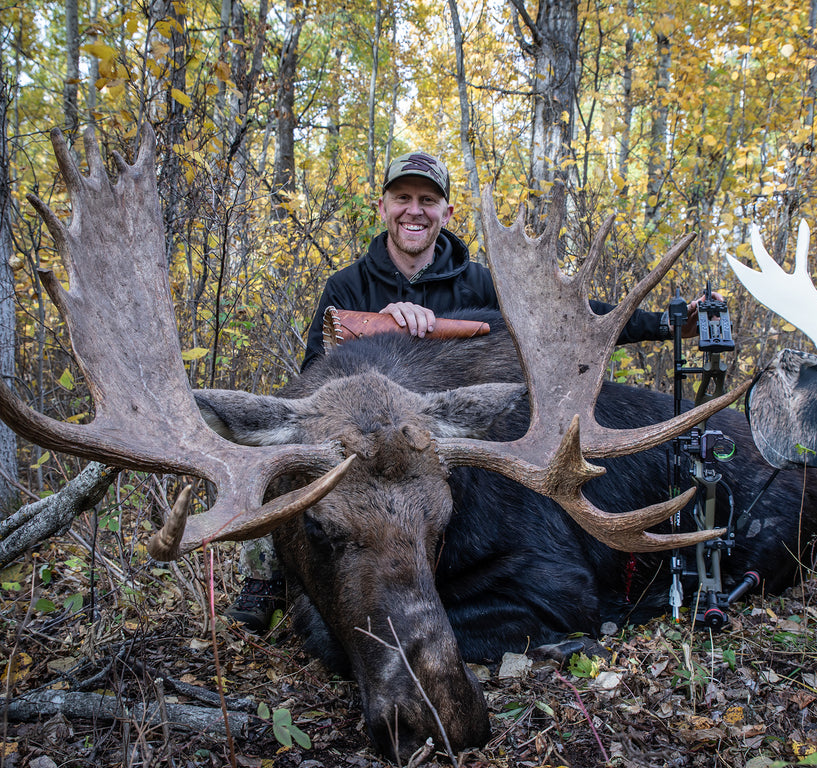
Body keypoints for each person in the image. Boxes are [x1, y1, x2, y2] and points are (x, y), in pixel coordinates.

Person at [227, 150, 711, 630]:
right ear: (383, 207)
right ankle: (267, 578)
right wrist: (377, 333)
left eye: (427, 200)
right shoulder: (347, 288)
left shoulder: (480, 282)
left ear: (446, 213)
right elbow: (313, 381)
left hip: (447, 449)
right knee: (280, 469)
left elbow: (563, 324)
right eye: (402, 198)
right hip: (358, 463)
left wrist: (667, 324)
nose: (413, 210)